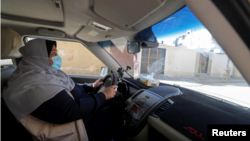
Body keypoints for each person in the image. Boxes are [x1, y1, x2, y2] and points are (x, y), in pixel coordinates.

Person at [3, 39, 120, 141]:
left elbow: (70, 88)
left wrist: (91, 87)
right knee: (116, 122)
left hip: (80, 120)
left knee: (111, 115)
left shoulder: (45, 73)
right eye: (53, 53)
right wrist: (103, 96)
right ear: (39, 56)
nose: (57, 57)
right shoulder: (32, 83)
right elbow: (70, 111)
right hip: (70, 131)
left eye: (56, 53)